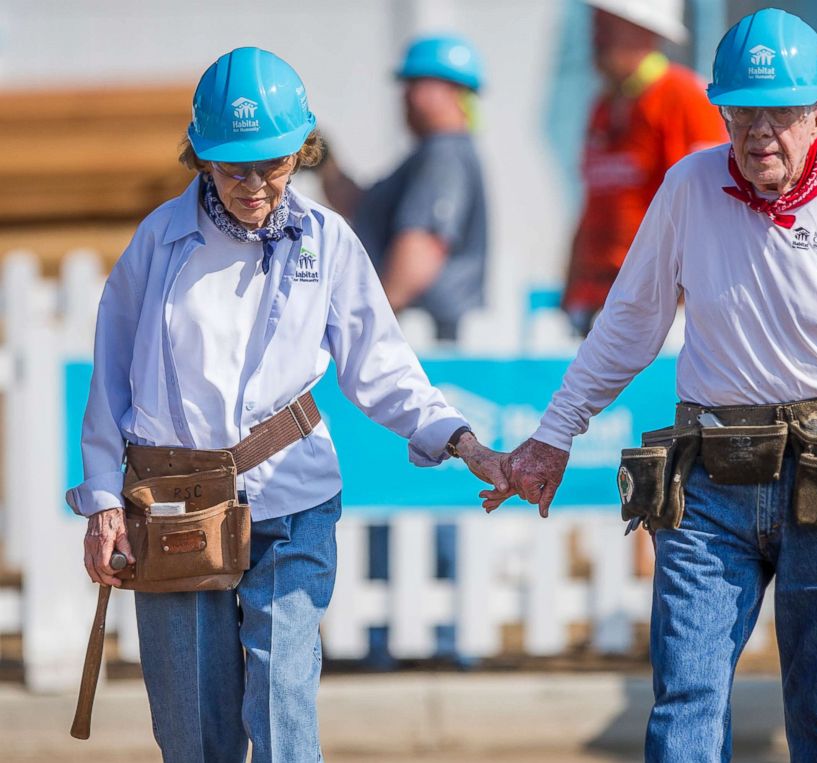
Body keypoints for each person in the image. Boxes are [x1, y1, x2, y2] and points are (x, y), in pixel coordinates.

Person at [485, 9, 817, 761]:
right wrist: (553, 435)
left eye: (778, 113)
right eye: (741, 111)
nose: (758, 132)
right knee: (683, 709)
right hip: (713, 483)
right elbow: (627, 325)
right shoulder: (689, 185)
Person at [68, 47, 507, 762]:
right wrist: (100, 502)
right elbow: (109, 379)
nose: (254, 183)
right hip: (177, 506)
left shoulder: (329, 242)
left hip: (293, 500)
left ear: (300, 151)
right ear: (201, 157)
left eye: (271, 163)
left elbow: (382, 366)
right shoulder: (158, 244)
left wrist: (461, 441)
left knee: (281, 704)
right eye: (233, 165)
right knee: (194, 735)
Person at [562, 0, 726, 335]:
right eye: (597, 22)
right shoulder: (603, 107)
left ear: (646, 30)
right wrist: (571, 291)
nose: (596, 35)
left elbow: (710, 209)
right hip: (600, 307)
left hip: (661, 315)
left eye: (608, 23)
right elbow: (593, 206)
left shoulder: (684, 99)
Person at [323, 34, 487, 341]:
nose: (406, 97)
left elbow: (421, 247)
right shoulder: (428, 156)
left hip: (425, 339)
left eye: (413, 85)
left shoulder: (444, 156)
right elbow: (361, 205)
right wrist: (324, 164)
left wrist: (368, 324)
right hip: (417, 335)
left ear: (444, 89)